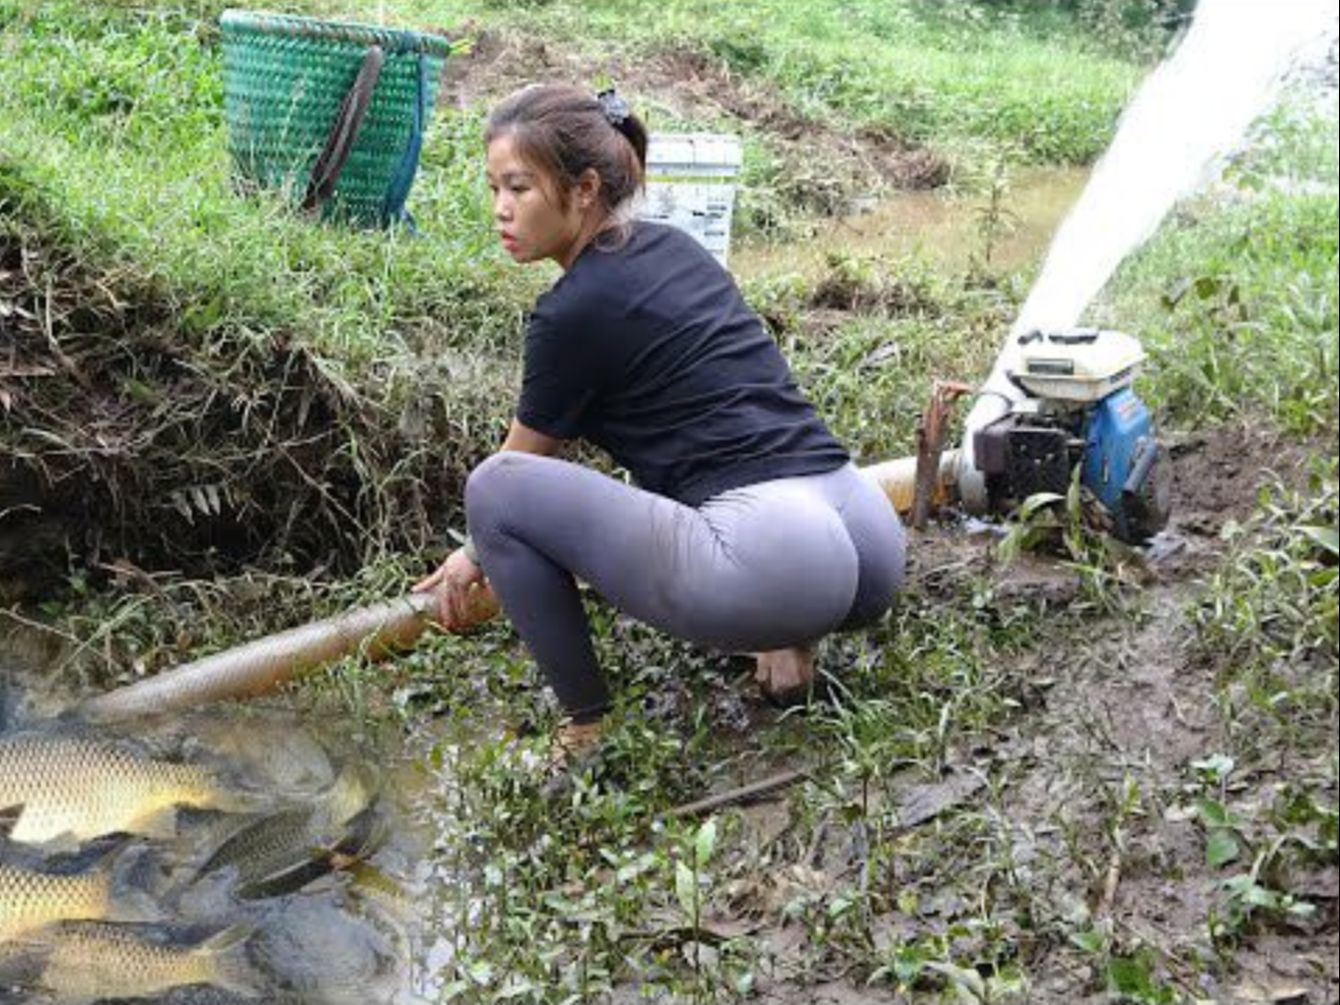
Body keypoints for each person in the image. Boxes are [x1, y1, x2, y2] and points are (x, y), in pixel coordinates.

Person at [414, 83, 905, 769]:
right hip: (867, 533)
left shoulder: (570, 312)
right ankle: (789, 640)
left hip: (783, 556)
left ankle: (587, 726)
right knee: (689, 465)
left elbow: (520, 467)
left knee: (493, 488)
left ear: (584, 188)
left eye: (519, 187)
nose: (500, 208)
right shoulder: (674, 248)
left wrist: (473, 554)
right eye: (493, 186)